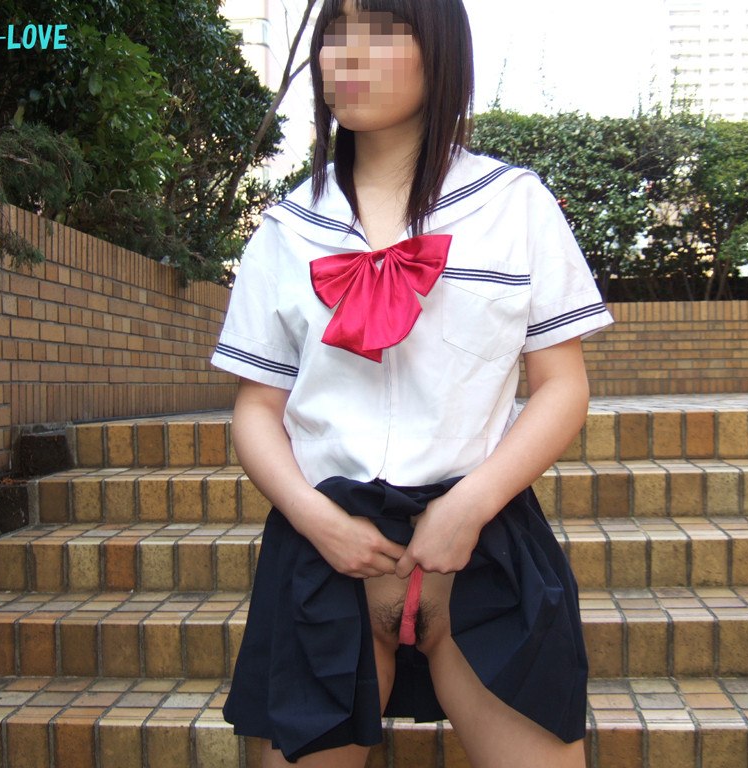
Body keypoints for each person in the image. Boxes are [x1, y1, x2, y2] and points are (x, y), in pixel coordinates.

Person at [209, 0, 614, 765]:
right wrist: (316, 521)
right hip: (327, 558)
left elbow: (563, 385)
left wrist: (470, 505)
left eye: (384, 30)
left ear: (441, 50)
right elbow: (257, 408)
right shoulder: (287, 228)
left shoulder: (513, 204)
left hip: (480, 549)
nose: (348, 54)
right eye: (336, 32)